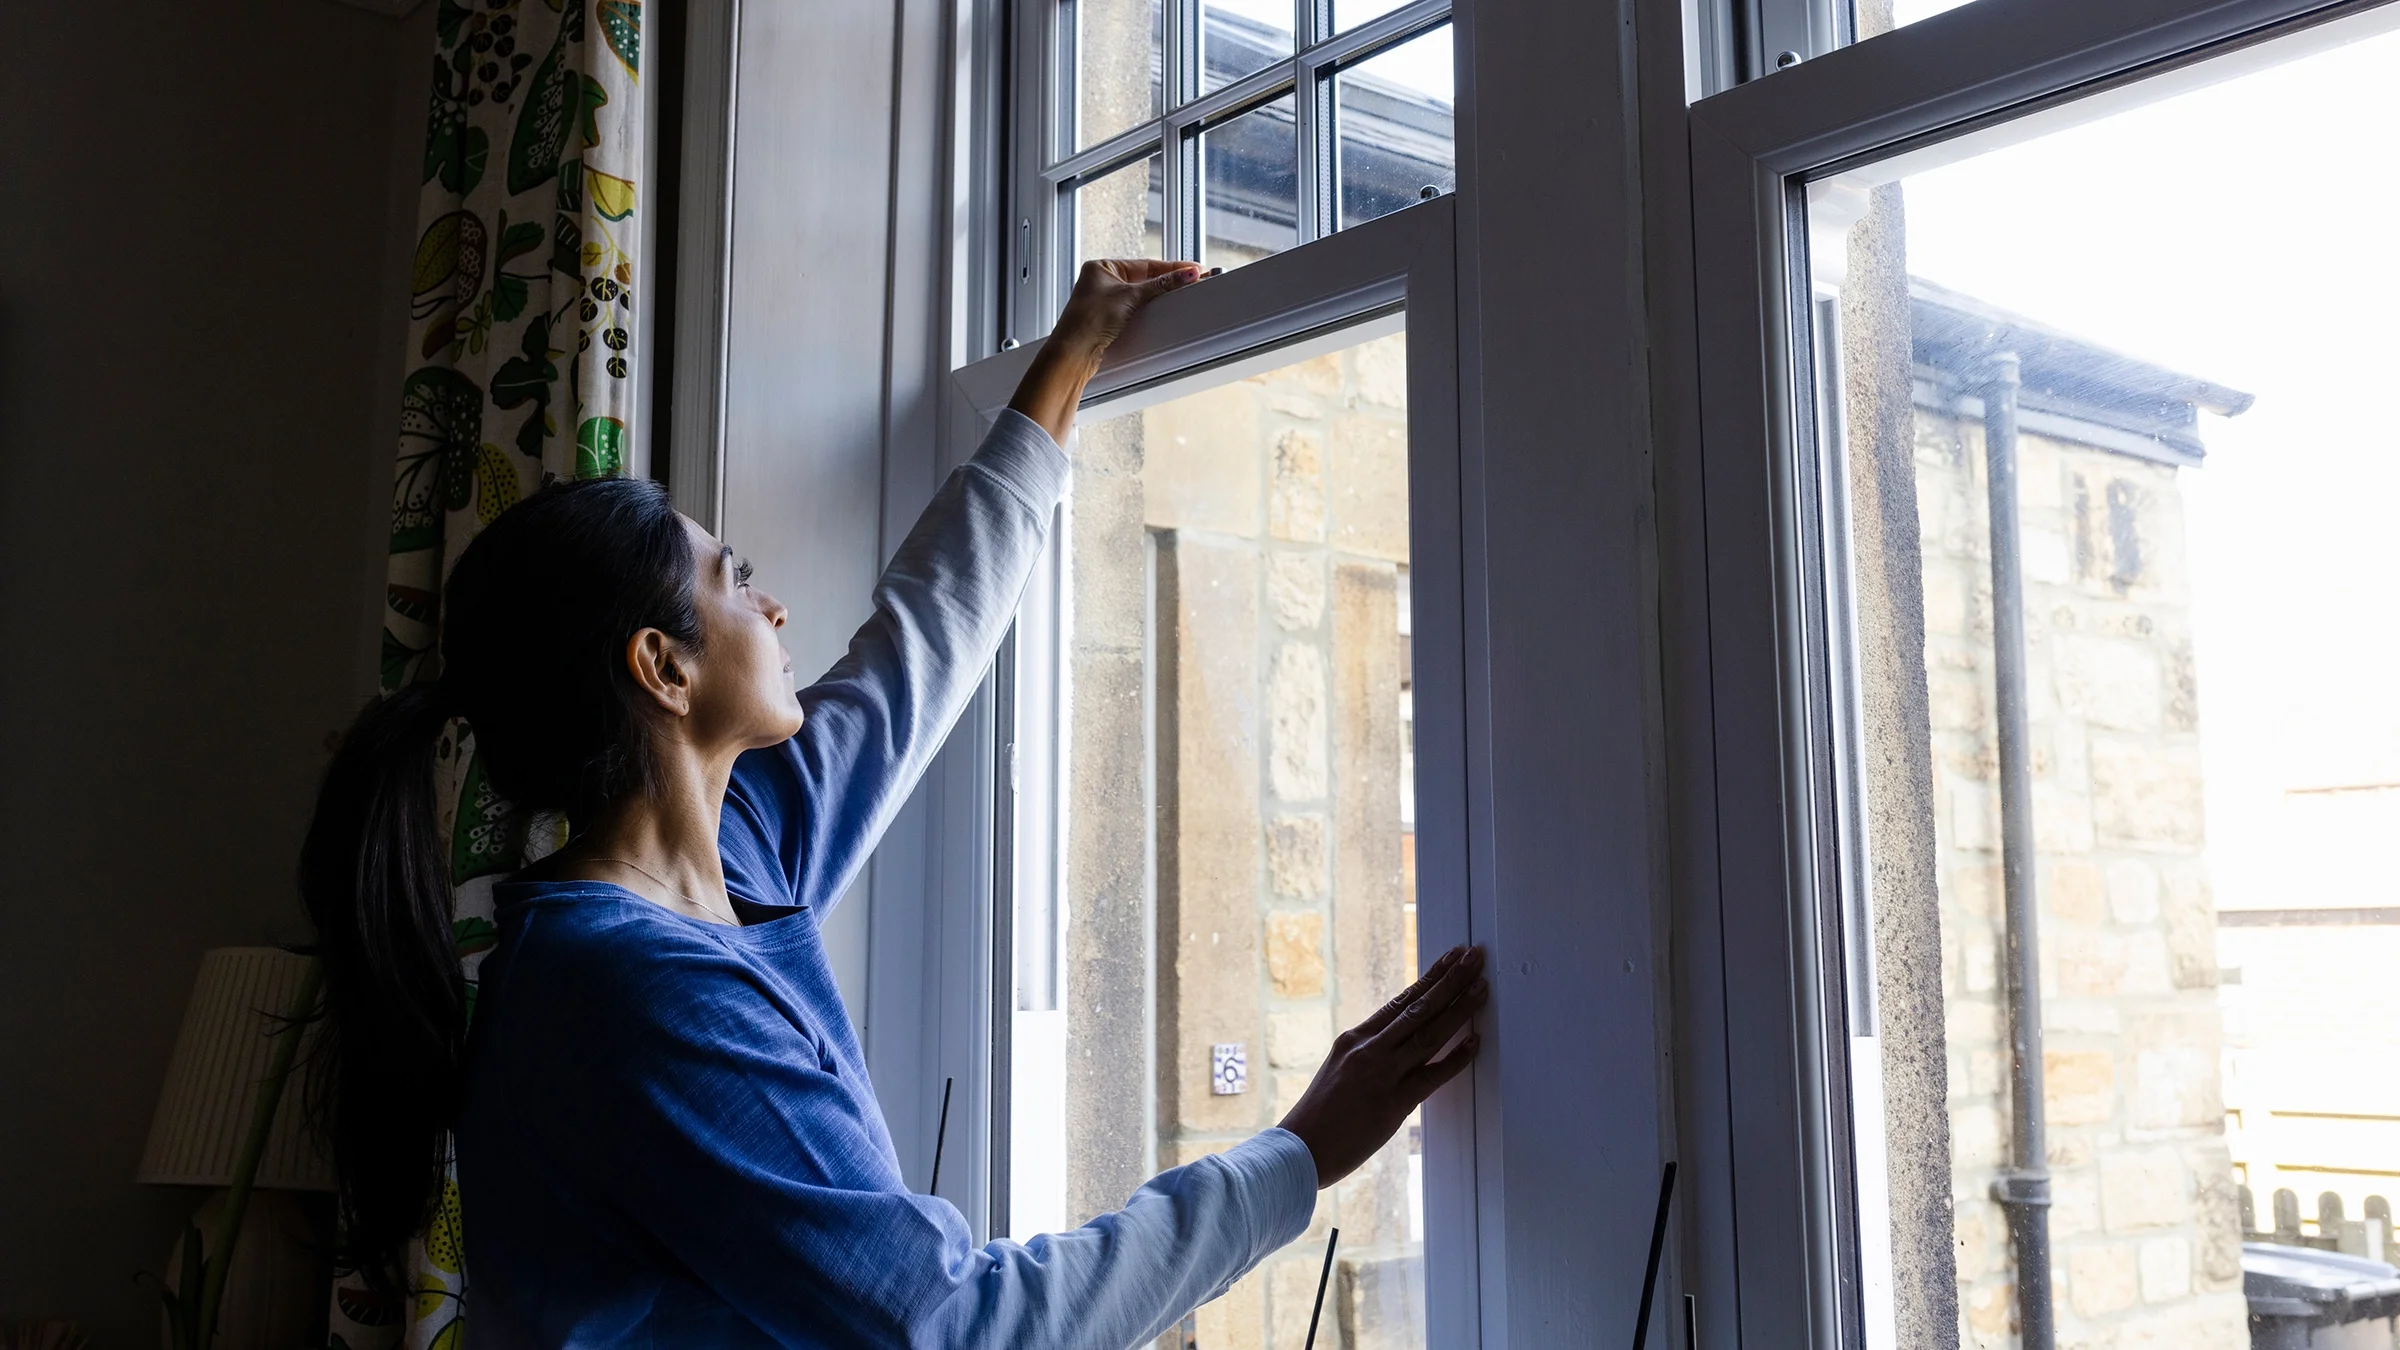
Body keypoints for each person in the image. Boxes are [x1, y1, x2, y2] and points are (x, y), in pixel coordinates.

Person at [301, 258, 1486, 1348]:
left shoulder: (738, 848)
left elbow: (916, 652)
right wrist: (1295, 1158)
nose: (770, 610)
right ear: (663, 668)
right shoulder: (631, 993)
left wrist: (1066, 366)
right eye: (735, 580)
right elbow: (955, 1328)